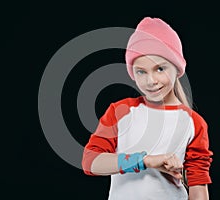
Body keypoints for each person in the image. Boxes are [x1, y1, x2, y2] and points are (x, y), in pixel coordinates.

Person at [82, 16, 213, 200]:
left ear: (177, 68)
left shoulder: (193, 123)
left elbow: (198, 185)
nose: (150, 81)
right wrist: (146, 161)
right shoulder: (120, 111)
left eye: (160, 69)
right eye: (141, 72)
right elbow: (91, 162)